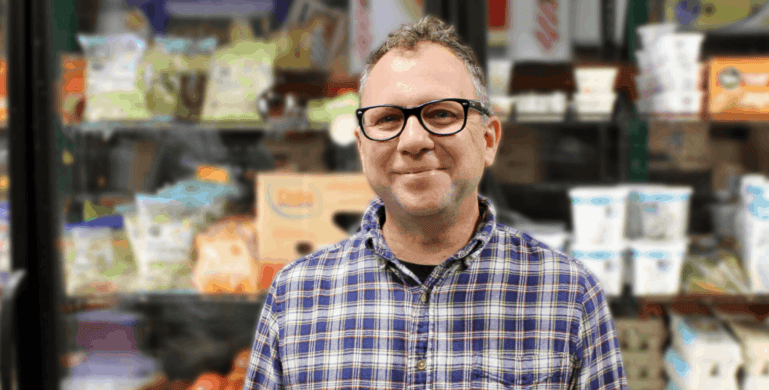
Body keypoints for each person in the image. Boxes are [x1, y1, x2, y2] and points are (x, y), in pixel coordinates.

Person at [244, 15, 629, 390]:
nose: (413, 140)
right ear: (362, 149)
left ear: (489, 140)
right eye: (388, 119)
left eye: (442, 114)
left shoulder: (568, 295)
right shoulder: (295, 298)